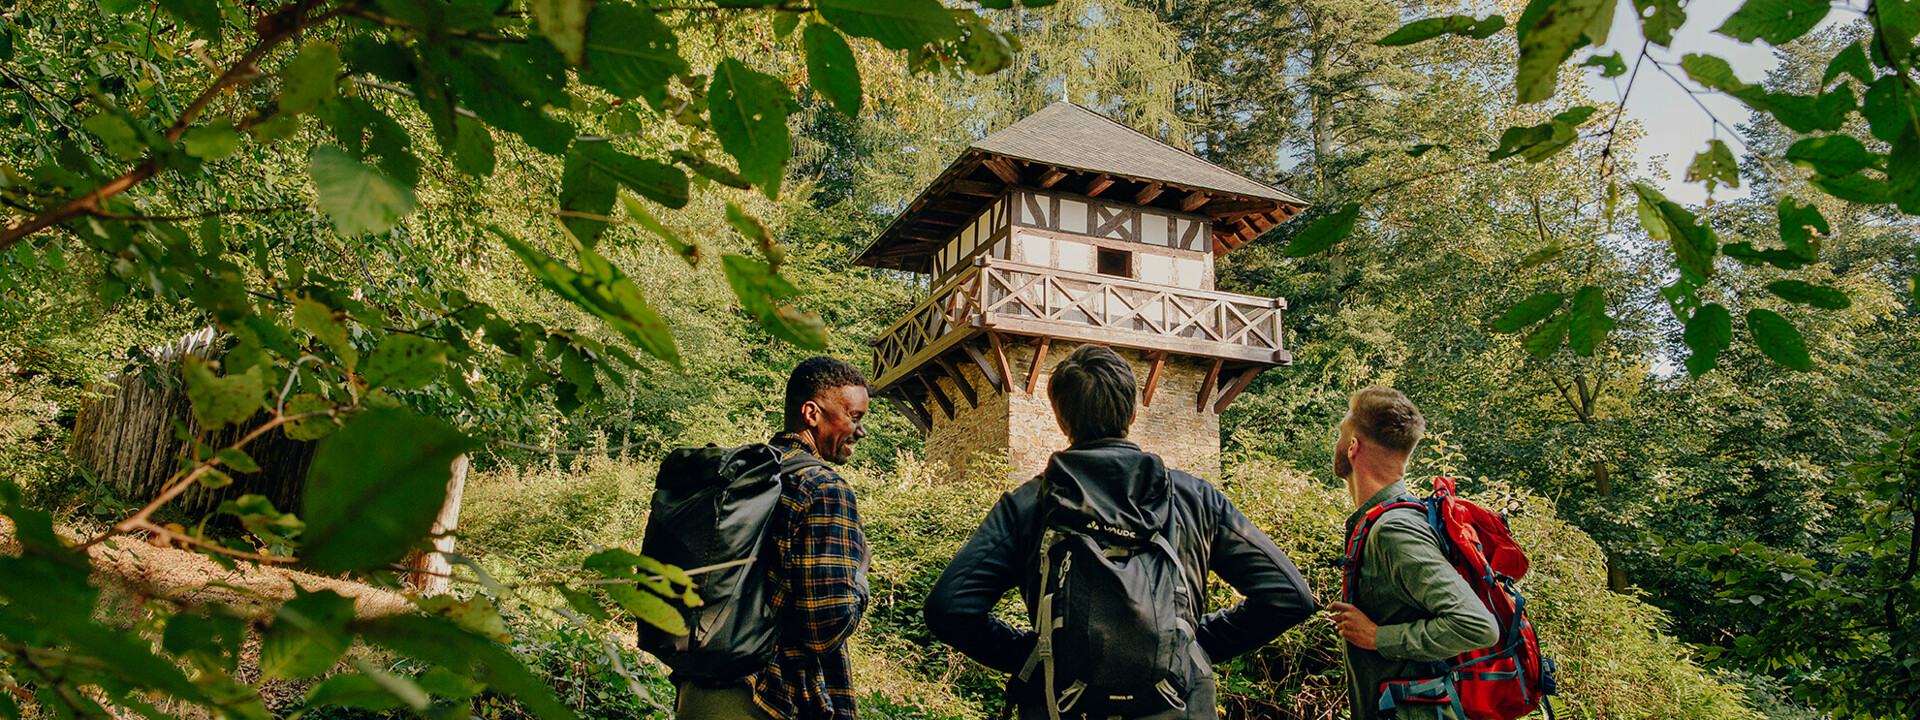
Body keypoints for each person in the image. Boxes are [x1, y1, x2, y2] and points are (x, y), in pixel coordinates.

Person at [923, 344, 1316, 719]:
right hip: (1179, 709)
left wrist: (1041, 654)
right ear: (1131, 415)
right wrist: (1188, 644)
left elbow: (948, 609)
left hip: (1061, 708)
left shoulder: (1027, 506)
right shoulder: (1195, 498)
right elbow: (1290, 597)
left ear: (1061, 419)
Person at [676, 356, 872, 720]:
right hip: (768, 700)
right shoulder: (824, 488)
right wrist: (860, 577)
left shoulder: (740, 475)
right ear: (812, 414)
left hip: (696, 689)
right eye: (855, 417)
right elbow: (824, 628)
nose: (861, 432)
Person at [1324, 386, 1498, 720]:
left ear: (1353, 447)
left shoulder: (1394, 530)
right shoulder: (1389, 519)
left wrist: (1378, 637)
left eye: (1340, 434)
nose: (1337, 443)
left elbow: (1477, 626)